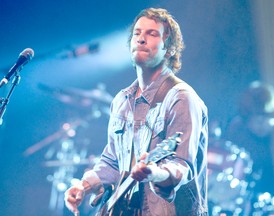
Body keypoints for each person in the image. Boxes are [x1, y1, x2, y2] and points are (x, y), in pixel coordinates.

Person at [64, 8, 208, 216]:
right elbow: (112, 161)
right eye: (137, 33)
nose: (141, 39)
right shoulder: (121, 100)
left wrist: (156, 174)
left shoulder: (181, 97)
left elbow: (182, 166)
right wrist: (84, 187)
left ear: (168, 49)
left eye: (152, 34)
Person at [225, 81, 274, 212]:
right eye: (256, 118)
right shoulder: (237, 131)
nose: (261, 123)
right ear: (246, 117)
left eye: (265, 116)